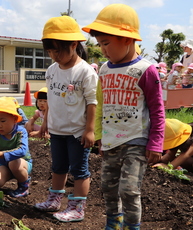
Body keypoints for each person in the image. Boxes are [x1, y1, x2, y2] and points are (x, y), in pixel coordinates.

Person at [82, 4, 165, 230]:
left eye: (106, 43)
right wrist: (99, 135)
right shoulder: (104, 71)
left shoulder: (146, 70)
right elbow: (100, 105)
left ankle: (132, 226)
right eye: (100, 45)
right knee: (108, 188)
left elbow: (157, 109)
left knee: (129, 189)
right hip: (110, 141)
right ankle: (113, 223)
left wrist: (156, 143)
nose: (103, 50)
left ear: (128, 39)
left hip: (136, 140)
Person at [34, 16, 98, 222]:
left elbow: (92, 102)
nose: (54, 56)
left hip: (77, 131)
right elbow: (51, 100)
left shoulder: (85, 71)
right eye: (50, 52)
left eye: (58, 51)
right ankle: (54, 200)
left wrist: (89, 130)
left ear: (74, 45)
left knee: (79, 169)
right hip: (57, 129)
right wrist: (45, 123)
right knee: (58, 166)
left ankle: (77, 207)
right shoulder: (52, 71)